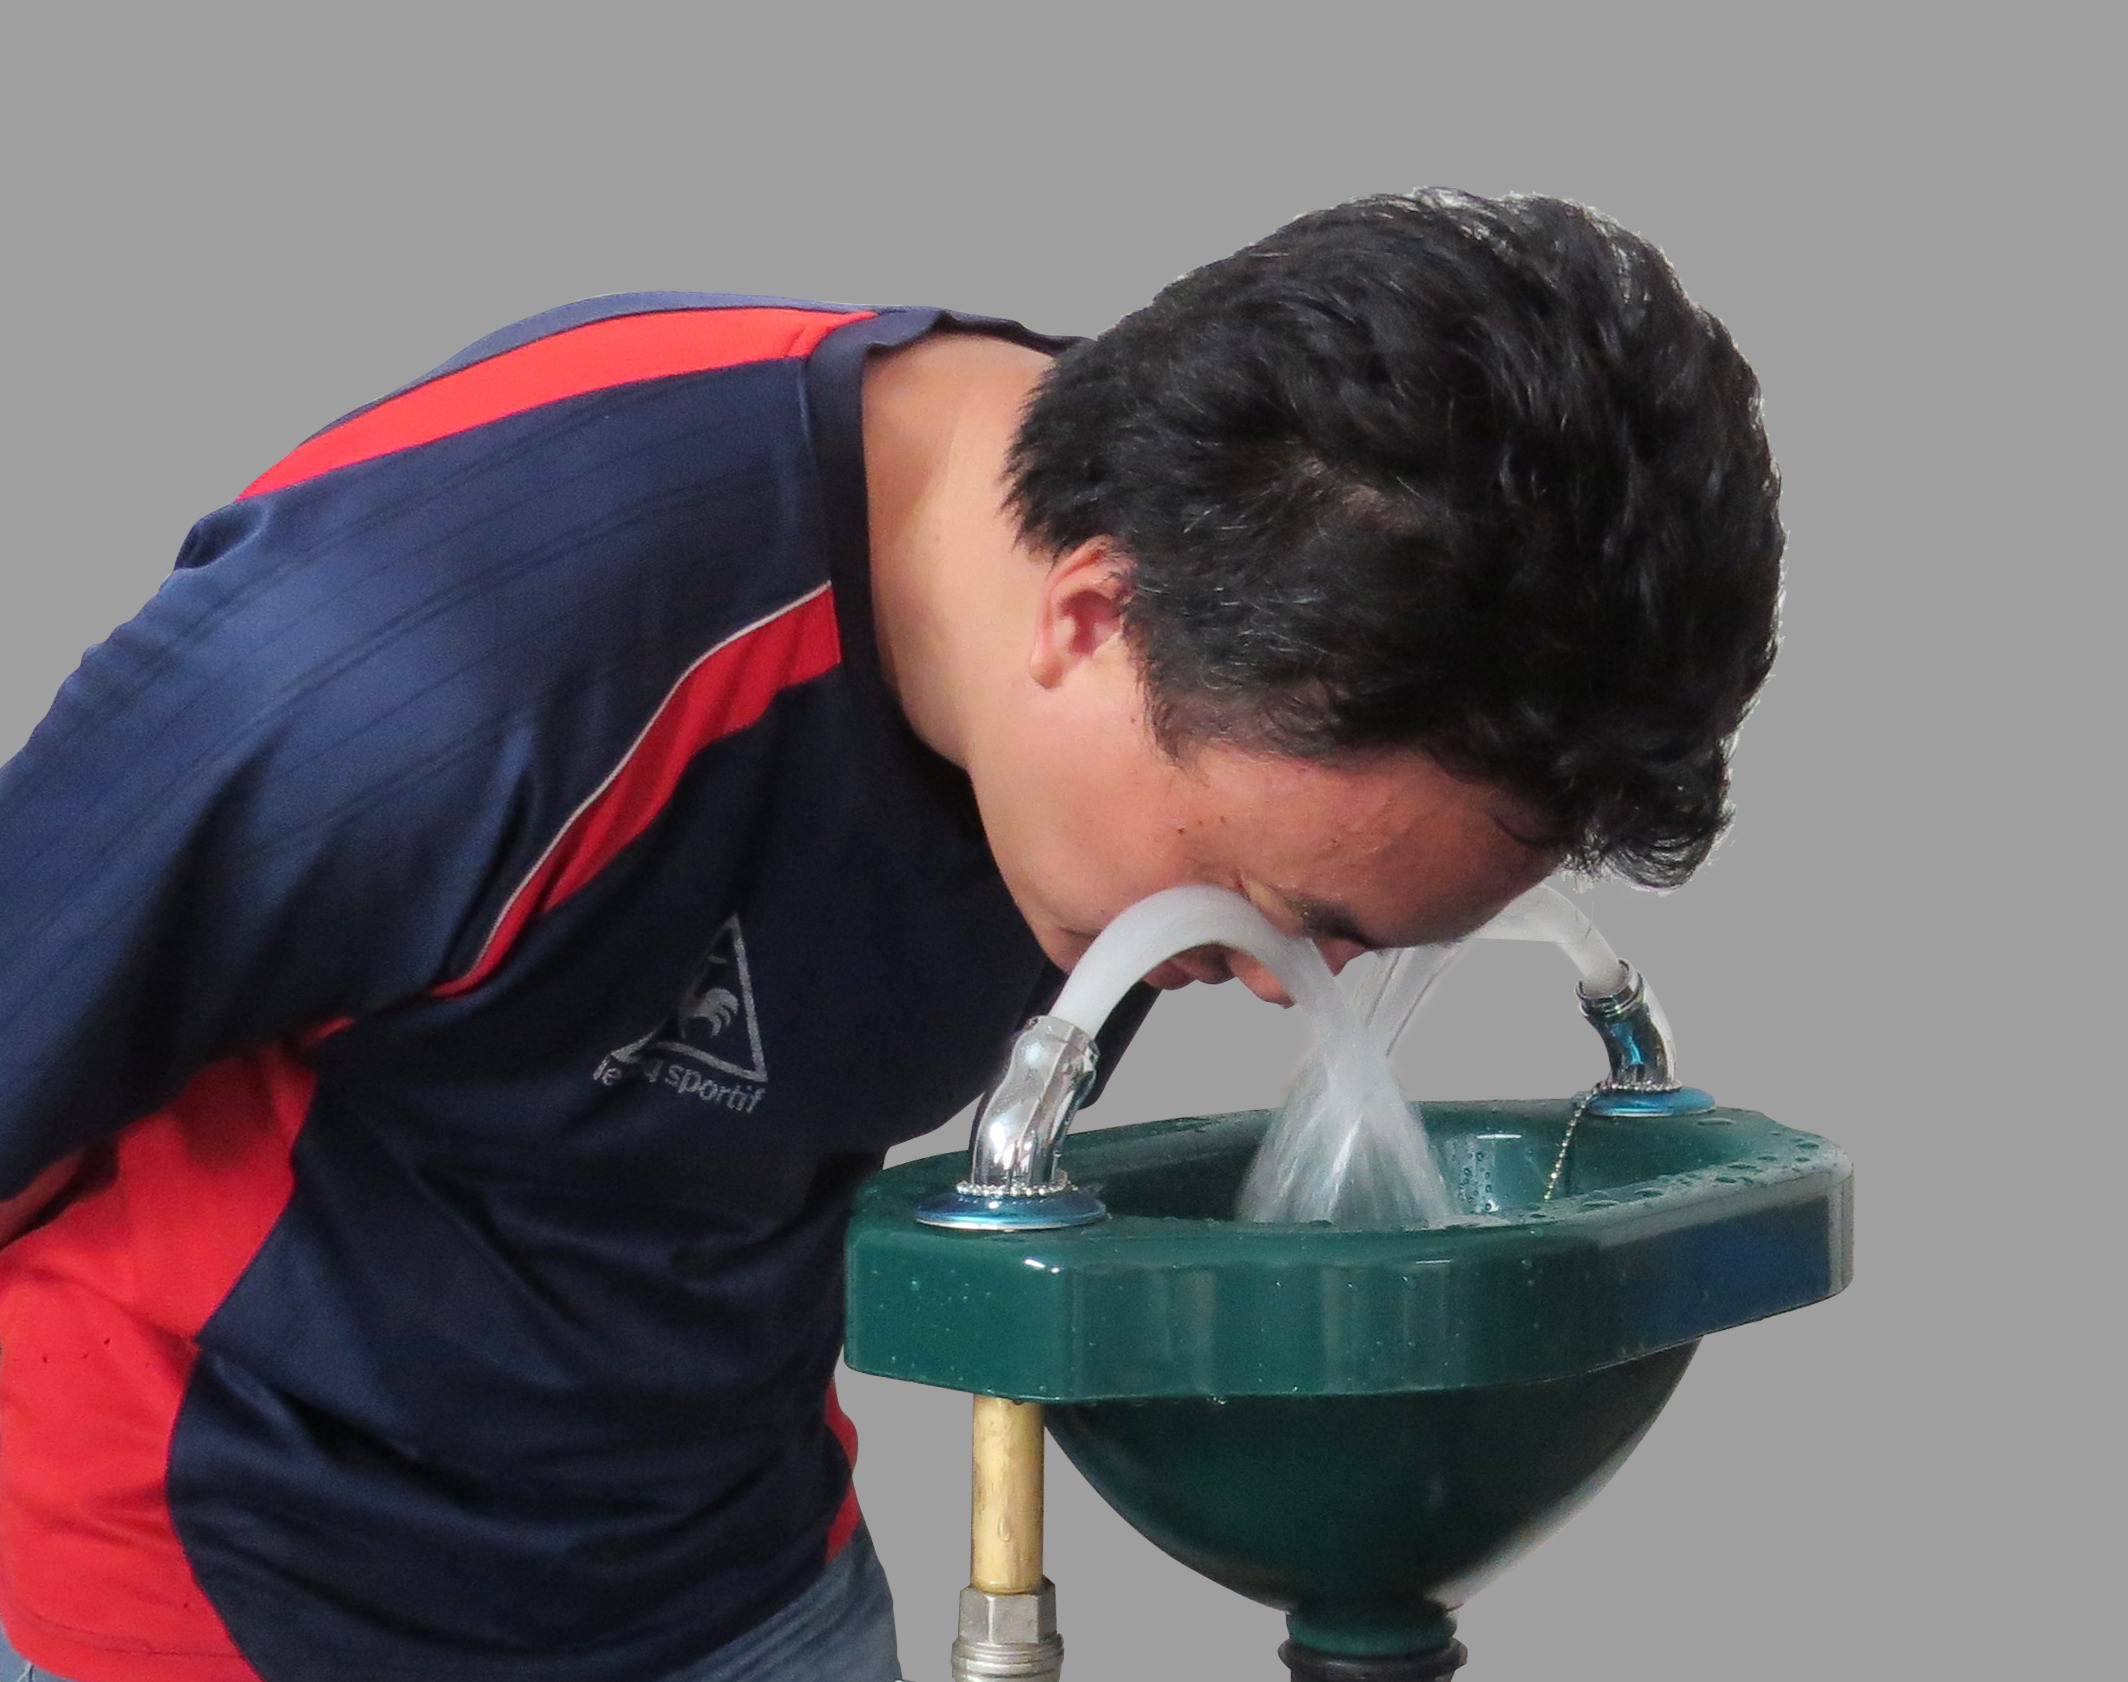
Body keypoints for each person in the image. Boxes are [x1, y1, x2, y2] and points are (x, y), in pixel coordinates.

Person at [0, 190, 1782, 1682]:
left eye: (1352, 953)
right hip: (218, 1583)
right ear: (1089, 617)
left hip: (736, 1573)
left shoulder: (1236, 567)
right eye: (1278, 914)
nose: (1266, 986)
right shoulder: (441, 657)